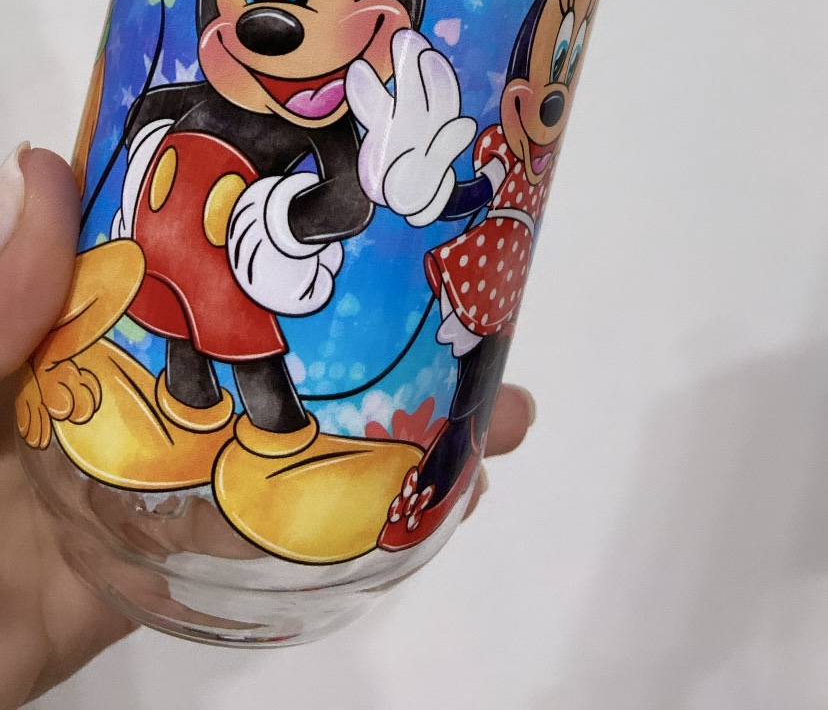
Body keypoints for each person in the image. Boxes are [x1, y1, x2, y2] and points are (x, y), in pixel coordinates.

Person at [0, 145, 536, 707]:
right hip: (173, 235)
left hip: (251, 244)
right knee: (188, 329)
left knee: (248, 351)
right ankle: (209, 425)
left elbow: (349, 195)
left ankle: (276, 450)